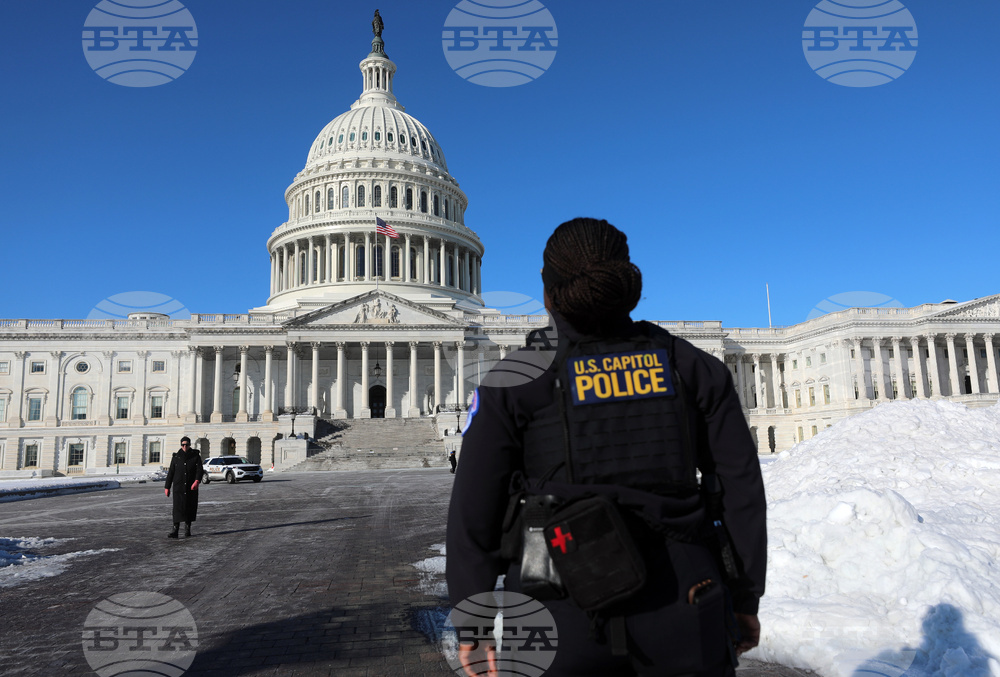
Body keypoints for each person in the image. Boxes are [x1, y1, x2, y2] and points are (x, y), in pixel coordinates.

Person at [446, 218, 766, 676]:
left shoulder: (515, 380)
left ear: (548, 292)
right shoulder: (691, 367)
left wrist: (474, 625)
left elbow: (475, 512)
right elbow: (740, 493)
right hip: (684, 598)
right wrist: (744, 596)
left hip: (552, 608)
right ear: (627, 283)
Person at [165, 436, 203, 538]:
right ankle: (175, 530)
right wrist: (167, 487)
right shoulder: (176, 457)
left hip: (191, 487)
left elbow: (200, 470)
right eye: (183, 445)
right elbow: (171, 472)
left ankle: (187, 529)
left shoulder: (195, 456)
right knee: (177, 508)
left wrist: (197, 481)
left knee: (189, 507)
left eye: (186, 444)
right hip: (178, 487)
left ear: (190, 445)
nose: (185, 447)